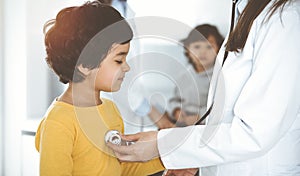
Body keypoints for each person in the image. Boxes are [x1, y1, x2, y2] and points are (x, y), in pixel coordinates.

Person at [108, 0, 300, 175]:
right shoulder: (245, 13)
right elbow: (224, 116)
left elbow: (256, 132)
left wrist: (163, 145)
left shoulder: (284, 19)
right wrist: (193, 160)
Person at [34, 1, 164, 175]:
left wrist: (167, 157)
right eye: (119, 60)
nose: (127, 67)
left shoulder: (111, 110)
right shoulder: (59, 122)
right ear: (85, 65)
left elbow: (120, 168)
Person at [148, 24, 224, 129]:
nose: (203, 52)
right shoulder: (183, 75)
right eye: (197, 47)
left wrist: (199, 117)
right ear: (188, 50)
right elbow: (174, 100)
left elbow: (218, 107)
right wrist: (176, 111)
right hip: (182, 121)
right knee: (155, 112)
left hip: (204, 123)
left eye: (209, 47)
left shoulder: (218, 77)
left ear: (219, 50)